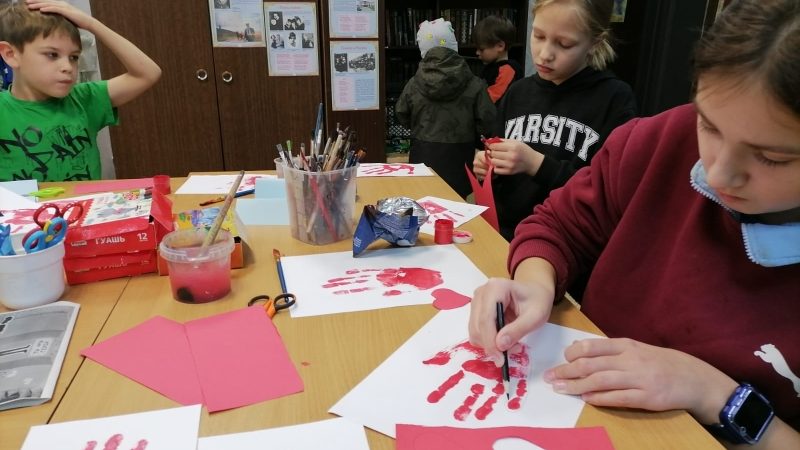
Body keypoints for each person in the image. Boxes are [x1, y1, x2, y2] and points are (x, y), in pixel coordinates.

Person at [468, 0, 800, 447]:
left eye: (772, 157)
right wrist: (535, 283)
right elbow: (557, 224)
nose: (719, 174)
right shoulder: (659, 140)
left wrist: (715, 394)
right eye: (709, 126)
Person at [473, 0, 636, 241]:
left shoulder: (614, 99)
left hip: (567, 242)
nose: (545, 54)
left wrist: (536, 164)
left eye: (564, 44)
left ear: (594, 43)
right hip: (504, 234)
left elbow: (607, 195)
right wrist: (488, 166)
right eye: (538, 36)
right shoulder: (518, 92)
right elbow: (496, 155)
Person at [0, 0, 161, 182]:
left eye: (74, 57)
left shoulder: (84, 99)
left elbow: (148, 73)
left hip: (86, 201)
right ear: (10, 54)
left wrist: (91, 24)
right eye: (52, 55)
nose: (67, 67)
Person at [395, 18, 495, 199]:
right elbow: (487, 120)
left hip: (423, 153)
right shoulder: (475, 83)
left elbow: (401, 113)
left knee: (423, 202)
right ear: (453, 45)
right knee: (457, 204)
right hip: (460, 157)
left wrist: (419, 126)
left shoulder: (414, 83)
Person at [472, 15, 524, 103]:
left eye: (481, 49)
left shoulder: (507, 69)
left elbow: (493, 97)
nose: (477, 52)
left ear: (500, 46)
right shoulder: (491, 66)